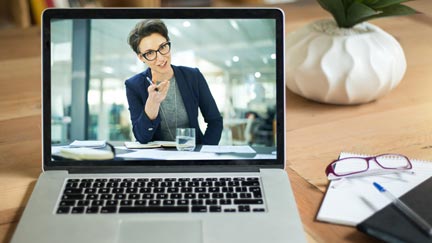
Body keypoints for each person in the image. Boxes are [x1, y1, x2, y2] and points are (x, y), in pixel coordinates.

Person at [125, 19, 223, 145]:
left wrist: (203, 153)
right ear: (141, 57)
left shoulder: (193, 76)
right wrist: (152, 104)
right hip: (157, 159)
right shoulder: (134, 85)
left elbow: (215, 121)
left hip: (192, 154)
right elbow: (142, 137)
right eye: (150, 53)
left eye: (162, 47)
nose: (161, 58)